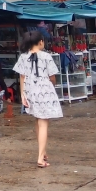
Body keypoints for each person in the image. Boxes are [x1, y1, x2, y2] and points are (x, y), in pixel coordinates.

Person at [14, 30, 63, 168]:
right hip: (44, 91)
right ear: (41, 42)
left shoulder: (23, 57)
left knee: (37, 120)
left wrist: (23, 94)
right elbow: (52, 76)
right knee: (43, 123)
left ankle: (43, 151)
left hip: (30, 91)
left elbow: (22, 77)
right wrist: (51, 85)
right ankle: (41, 158)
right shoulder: (46, 56)